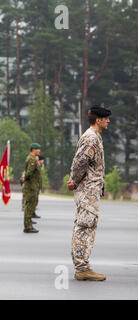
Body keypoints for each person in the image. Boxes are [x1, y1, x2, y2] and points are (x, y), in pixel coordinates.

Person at [67, 105, 111, 281]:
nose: (108, 121)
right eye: (106, 118)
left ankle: (83, 265)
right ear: (98, 120)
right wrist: (74, 180)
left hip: (90, 190)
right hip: (87, 191)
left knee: (87, 226)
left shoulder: (95, 137)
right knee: (84, 227)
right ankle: (82, 268)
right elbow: (80, 161)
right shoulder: (91, 138)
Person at [23, 143, 41, 233]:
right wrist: (26, 182)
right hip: (31, 186)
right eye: (38, 149)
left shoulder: (33, 159)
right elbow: (29, 173)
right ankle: (27, 226)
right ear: (33, 150)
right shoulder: (31, 160)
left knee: (31, 205)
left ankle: (28, 224)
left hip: (33, 186)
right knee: (29, 206)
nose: (39, 151)